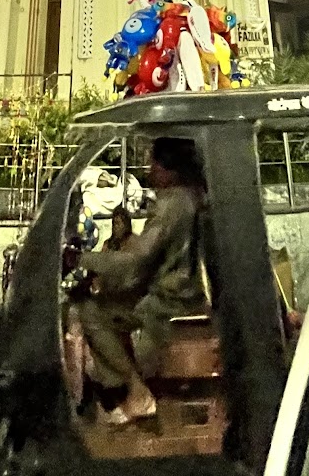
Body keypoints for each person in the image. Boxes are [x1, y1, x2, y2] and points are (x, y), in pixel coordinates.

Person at [78, 137, 207, 426]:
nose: (149, 170)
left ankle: (136, 391)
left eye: (154, 164)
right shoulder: (192, 196)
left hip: (169, 299)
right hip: (177, 288)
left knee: (91, 309)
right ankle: (127, 390)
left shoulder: (172, 204)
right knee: (110, 299)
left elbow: (136, 259)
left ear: (170, 169)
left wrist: (81, 260)